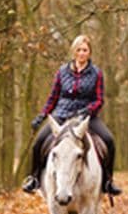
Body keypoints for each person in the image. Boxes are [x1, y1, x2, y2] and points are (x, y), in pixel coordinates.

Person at [22, 35, 122, 196]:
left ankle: (108, 182)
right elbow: (53, 97)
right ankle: (34, 179)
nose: (82, 53)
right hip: (61, 115)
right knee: (38, 143)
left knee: (109, 140)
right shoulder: (62, 71)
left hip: (86, 117)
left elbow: (99, 100)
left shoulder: (97, 73)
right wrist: (42, 115)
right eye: (79, 50)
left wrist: (87, 111)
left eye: (85, 50)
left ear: (89, 53)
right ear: (74, 52)